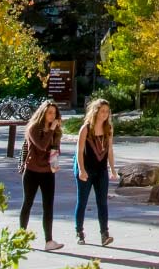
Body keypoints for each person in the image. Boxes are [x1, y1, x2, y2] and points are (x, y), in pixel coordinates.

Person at [21, 101, 65, 251]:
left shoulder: (56, 130)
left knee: (48, 206)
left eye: (54, 113)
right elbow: (42, 145)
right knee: (28, 203)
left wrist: (55, 160)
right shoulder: (33, 128)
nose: (52, 116)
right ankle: (21, 238)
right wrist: (51, 130)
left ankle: (49, 241)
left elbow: (53, 149)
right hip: (32, 171)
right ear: (43, 113)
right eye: (49, 113)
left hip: (48, 172)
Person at [72, 99, 117, 246]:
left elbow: (109, 150)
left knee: (102, 202)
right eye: (102, 111)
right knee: (82, 201)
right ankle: (79, 232)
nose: (105, 114)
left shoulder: (108, 129)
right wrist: (81, 170)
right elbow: (79, 151)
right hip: (86, 170)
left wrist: (112, 169)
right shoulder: (86, 128)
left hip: (101, 170)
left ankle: (105, 234)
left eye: (107, 111)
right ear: (96, 111)